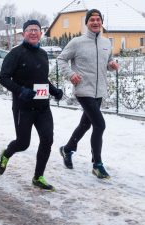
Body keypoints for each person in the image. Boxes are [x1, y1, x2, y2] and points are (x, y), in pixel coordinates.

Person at [0, 20, 63, 191]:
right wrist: (20, 91)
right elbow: (3, 77)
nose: (33, 33)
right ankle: (6, 154)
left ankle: (38, 177)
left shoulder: (42, 54)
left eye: (36, 30)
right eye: (29, 30)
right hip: (23, 107)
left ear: (41, 34)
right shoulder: (15, 53)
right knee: (23, 143)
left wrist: (54, 91)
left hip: (43, 108)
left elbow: (42, 79)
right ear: (23, 33)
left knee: (47, 140)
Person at [57, 9, 119, 179]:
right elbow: (61, 59)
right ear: (87, 23)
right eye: (92, 19)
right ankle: (97, 164)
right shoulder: (77, 42)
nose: (95, 22)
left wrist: (112, 65)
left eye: (98, 19)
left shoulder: (106, 43)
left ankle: (67, 149)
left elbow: (107, 62)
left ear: (101, 22)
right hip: (83, 89)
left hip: (99, 91)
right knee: (100, 124)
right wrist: (71, 75)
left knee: (86, 124)